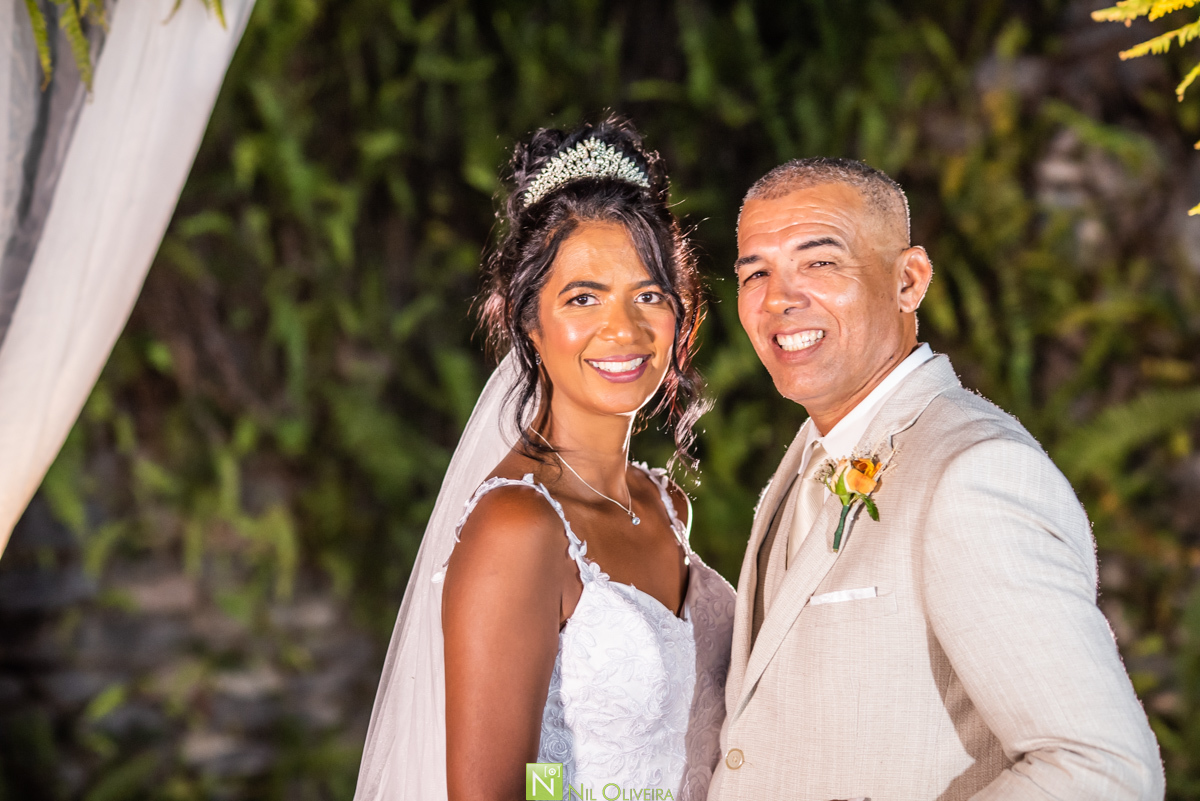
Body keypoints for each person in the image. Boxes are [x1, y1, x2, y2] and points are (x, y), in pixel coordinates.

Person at [708, 157, 1165, 801]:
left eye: (820, 262)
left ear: (908, 281)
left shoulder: (974, 472)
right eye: (756, 272)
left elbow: (1100, 770)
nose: (780, 298)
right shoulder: (804, 462)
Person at [353, 118, 735, 801]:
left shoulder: (664, 505)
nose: (623, 329)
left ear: (683, 310)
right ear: (530, 319)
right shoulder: (519, 525)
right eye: (582, 297)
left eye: (648, 293)